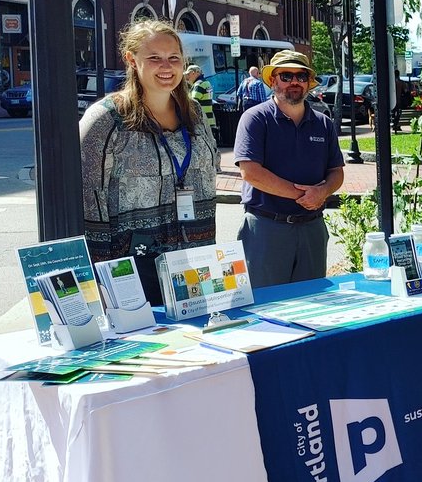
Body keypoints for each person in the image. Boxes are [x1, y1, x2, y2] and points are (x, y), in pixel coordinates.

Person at [79, 19, 218, 304]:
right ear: (131, 59)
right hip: (132, 269)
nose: (166, 67)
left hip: (194, 262)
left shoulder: (193, 113)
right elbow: (88, 199)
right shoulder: (106, 119)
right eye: (154, 58)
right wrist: (101, 285)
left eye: (173, 58)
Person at [233, 49, 345, 288]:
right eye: (286, 76)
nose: (294, 82)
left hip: (312, 227)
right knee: (264, 309)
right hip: (266, 229)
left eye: (301, 76)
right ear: (273, 80)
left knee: (313, 305)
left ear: (308, 83)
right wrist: (305, 196)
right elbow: (250, 172)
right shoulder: (255, 119)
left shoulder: (323, 122)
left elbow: (337, 172)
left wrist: (322, 192)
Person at [184, 64, 217, 143]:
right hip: (209, 119)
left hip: (201, 120)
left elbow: (193, 102)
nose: (187, 77)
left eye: (189, 74)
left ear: (195, 73)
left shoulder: (199, 84)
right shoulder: (206, 83)